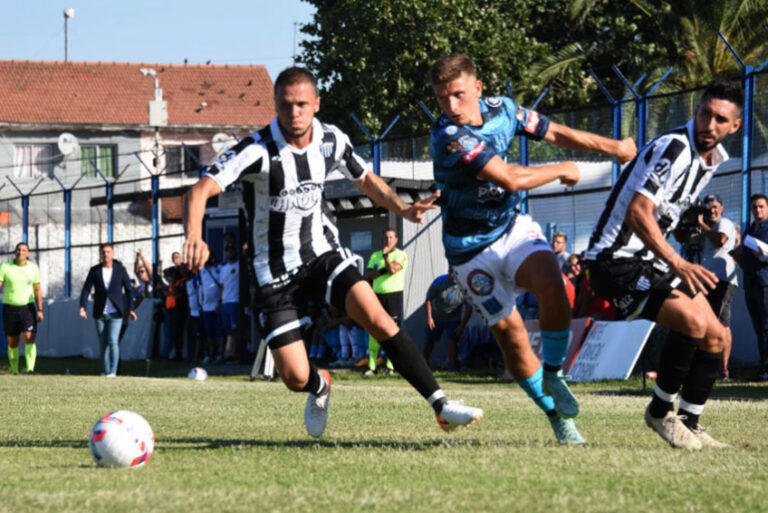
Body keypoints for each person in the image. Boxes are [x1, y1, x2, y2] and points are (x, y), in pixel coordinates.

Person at [183, 66, 483, 438]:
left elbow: (366, 179)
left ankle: (441, 406)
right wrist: (193, 235)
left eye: (302, 104)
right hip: (272, 272)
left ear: (316, 104)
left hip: (321, 254)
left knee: (378, 318)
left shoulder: (331, 140)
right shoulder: (256, 150)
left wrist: (403, 208)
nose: (294, 113)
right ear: (275, 105)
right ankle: (320, 384)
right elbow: (198, 191)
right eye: (286, 105)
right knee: (294, 376)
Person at [430, 53, 636, 444]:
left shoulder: (503, 110)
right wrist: (562, 169)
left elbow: (555, 132)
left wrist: (615, 147)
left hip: (511, 228)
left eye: (458, 94)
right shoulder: (448, 136)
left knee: (552, 283)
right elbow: (509, 178)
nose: (451, 106)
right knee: (511, 335)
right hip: (469, 251)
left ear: (478, 87)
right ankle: (558, 419)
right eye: (442, 98)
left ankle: (554, 374)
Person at [585, 77, 743, 449]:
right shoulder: (675, 148)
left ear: (735, 126)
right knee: (692, 322)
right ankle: (659, 412)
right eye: (705, 114)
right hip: (614, 262)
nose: (710, 125)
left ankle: (690, 421)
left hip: (648, 262)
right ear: (696, 110)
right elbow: (638, 213)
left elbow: (666, 210)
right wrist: (677, 261)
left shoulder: (712, 160)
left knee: (717, 336)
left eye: (720, 119)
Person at [695, 194, 738, 380]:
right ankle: (722, 370)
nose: (711, 210)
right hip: (708, 279)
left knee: (717, 324)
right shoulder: (706, 227)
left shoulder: (724, 223)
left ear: (721, 208)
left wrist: (702, 225)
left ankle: (718, 368)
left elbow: (721, 240)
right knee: (722, 324)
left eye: (715, 207)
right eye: (708, 207)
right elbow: (681, 238)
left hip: (722, 279)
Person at [79, 243, 137, 377]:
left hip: (116, 313)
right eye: (103, 252)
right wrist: (83, 307)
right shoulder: (95, 270)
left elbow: (129, 290)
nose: (106, 254)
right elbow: (86, 289)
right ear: (100, 254)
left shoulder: (120, 269)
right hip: (100, 313)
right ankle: (105, 371)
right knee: (103, 343)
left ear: (113, 253)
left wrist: (131, 309)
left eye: (108, 252)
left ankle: (113, 371)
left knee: (113, 341)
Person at [363, 228, 407, 376]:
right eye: (386, 237)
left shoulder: (401, 255)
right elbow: (368, 274)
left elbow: (393, 269)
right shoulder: (375, 255)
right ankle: (372, 366)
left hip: (393, 296)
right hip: (377, 296)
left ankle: (390, 366)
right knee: (374, 329)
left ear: (396, 239)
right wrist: (383, 271)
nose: (388, 240)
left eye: (391, 237)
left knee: (391, 330)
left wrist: (386, 257)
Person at [0, 242, 43, 375]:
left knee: (29, 337)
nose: (21, 252)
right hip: (10, 308)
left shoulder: (33, 268)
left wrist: (40, 310)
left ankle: (30, 369)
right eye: (18, 250)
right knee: (13, 341)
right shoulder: (5, 267)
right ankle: (14, 371)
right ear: (15, 252)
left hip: (27, 308)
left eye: (24, 250)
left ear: (28, 253)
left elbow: (37, 289)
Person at [739, 193, 768, 380]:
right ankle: (763, 366)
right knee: (759, 328)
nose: (758, 210)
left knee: (766, 326)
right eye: (754, 207)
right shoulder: (748, 230)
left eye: (761, 206)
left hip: (765, 283)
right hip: (749, 284)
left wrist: (763, 257)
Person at [423, 268, 472, 370]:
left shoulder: (465, 285)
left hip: (454, 318)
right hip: (437, 317)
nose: (454, 277)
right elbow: (428, 299)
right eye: (452, 274)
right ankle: (424, 362)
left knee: (452, 339)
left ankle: (452, 365)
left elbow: (469, 307)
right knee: (430, 339)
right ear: (448, 272)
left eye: (456, 275)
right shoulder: (439, 282)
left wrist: (462, 325)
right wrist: (429, 318)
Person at [219, 243, 240, 360]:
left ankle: (234, 353)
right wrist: (220, 301)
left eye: (231, 250)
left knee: (235, 329)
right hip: (225, 302)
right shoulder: (223, 269)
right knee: (227, 330)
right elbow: (221, 286)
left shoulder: (239, 266)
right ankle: (227, 353)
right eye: (227, 250)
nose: (229, 252)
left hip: (235, 300)